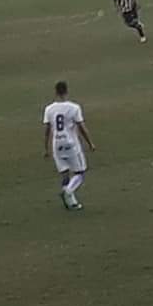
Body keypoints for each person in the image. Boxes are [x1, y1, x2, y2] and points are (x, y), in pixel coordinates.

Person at [43, 80, 95, 211]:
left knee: (65, 174)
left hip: (56, 144)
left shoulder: (49, 109)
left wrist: (46, 148)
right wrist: (90, 143)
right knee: (80, 173)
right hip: (71, 144)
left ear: (55, 92)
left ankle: (71, 202)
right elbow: (81, 127)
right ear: (67, 91)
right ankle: (68, 191)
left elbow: (47, 130)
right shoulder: (74, 108)